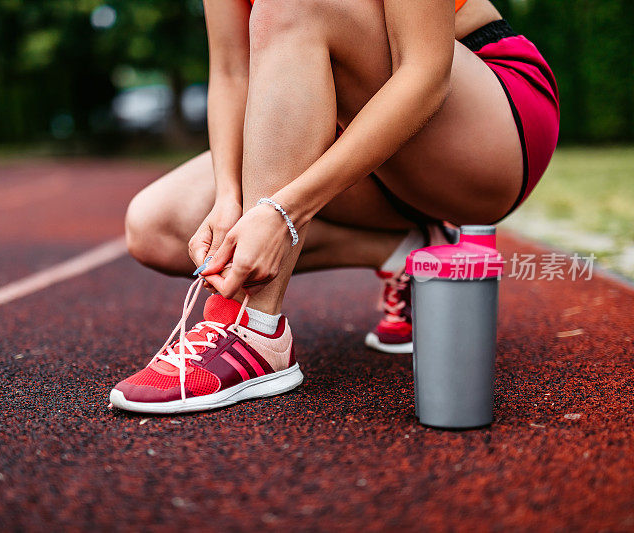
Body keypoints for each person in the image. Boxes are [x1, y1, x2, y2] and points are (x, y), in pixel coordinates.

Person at [110, 0, 559, 413]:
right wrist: (231, 199)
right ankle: (408, 250)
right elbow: (232, 72)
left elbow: (425, 70)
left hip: (482, 122)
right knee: (156, 224)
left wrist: (281, 209)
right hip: (362, 142)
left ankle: (254, 330)